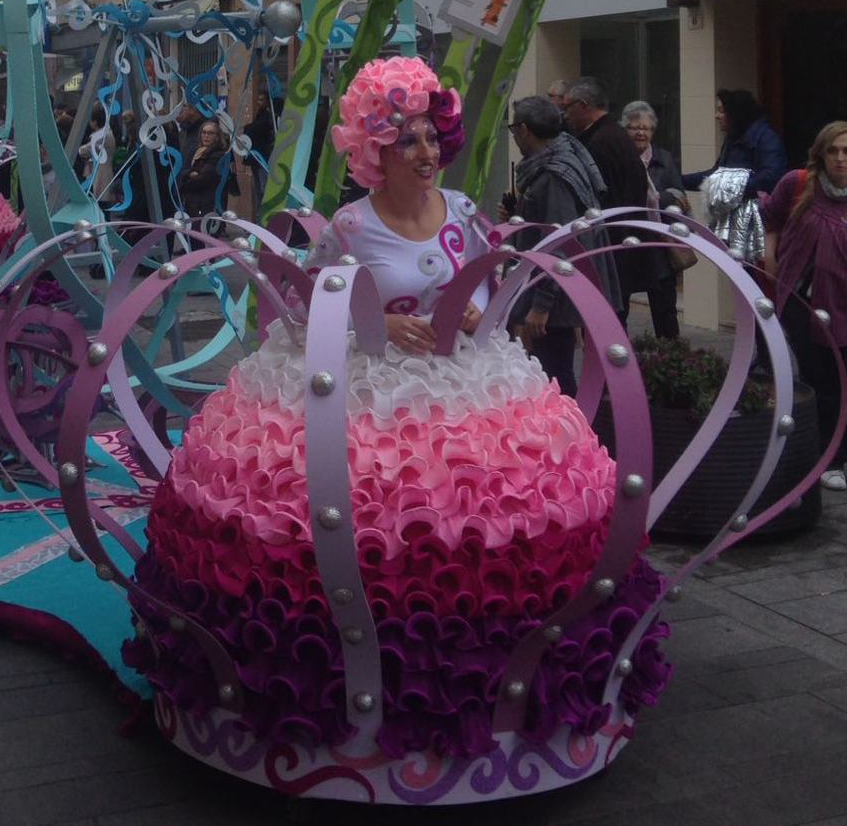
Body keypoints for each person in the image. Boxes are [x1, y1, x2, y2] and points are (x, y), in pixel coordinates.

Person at [125, 57, 670, 759]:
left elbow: (484, 292)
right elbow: (301, 315)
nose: (424, 152)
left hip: (464, 388)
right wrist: (372, 323)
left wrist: (470, 318)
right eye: (404, 140)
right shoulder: (350, 228)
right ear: (375, 151)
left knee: (495, 513)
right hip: (366, 392)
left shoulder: (466, 214)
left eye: (429, 137)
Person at [503, 95, 622, 394]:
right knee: (552, 369)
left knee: (553, 374)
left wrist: (541, 306)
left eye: (514, 128)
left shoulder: (554, 174)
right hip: (558, 289)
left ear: (525, 129)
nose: (514, 136)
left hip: (555, 297)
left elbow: (561, 241)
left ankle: (570, 435)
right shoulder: (563, 157)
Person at [763, 121, 847, 491]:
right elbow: (772, 216)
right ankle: (828, 458)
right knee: (823, 380)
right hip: (803, 302)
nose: (841, 160)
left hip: (844, 303)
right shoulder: (798, 184)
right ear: (821, 154)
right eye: (834, 151)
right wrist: (770, 254)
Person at [562, 76, 651, 317]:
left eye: (567, 108)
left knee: (607, 316)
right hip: (621, 240)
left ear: (583, 105)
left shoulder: (600, 143)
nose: (565, 116)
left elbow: (600, 197)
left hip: (611, 244)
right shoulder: (612, 135)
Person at [621, 99, 686, 339]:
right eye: (634, 127)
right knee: (620, 309)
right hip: (626, 245)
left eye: (646, 128)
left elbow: (680, 195)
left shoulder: (664, 159)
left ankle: (671, 363)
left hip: (658, 246)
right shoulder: (620, 159)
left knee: (665, 311)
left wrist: (659, 197)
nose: (640, 132)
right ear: (624, 130)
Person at [683, 89, 787, 195]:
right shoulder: (732, 139)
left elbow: (771, 179)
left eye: (721, 111)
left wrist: (727, 185)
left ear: (735, 113)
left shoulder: (766, 138)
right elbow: (716, 174)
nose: (716, 116)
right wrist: (679, 181)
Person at [176, 119, 238, 219]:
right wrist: (189, 174)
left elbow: (204, 177)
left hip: (206, 202)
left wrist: (184, 181)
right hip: (193, 201)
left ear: (217, 137)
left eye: (210, 133)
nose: (206, 136)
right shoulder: (198, 151)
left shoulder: (218, 154)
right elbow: (188, 171)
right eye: (204, 133)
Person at [242, 90, 276, 216]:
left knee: (263, 188)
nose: (258, 102)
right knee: (257, 189)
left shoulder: (268, 117)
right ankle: (259, 217)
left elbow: (258, 129)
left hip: (263, 157)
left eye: (262, 100)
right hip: (256, 157)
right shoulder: (260, 115)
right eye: (258, 99)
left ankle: (263, 217)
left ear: (267, 102)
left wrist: (247, 128)